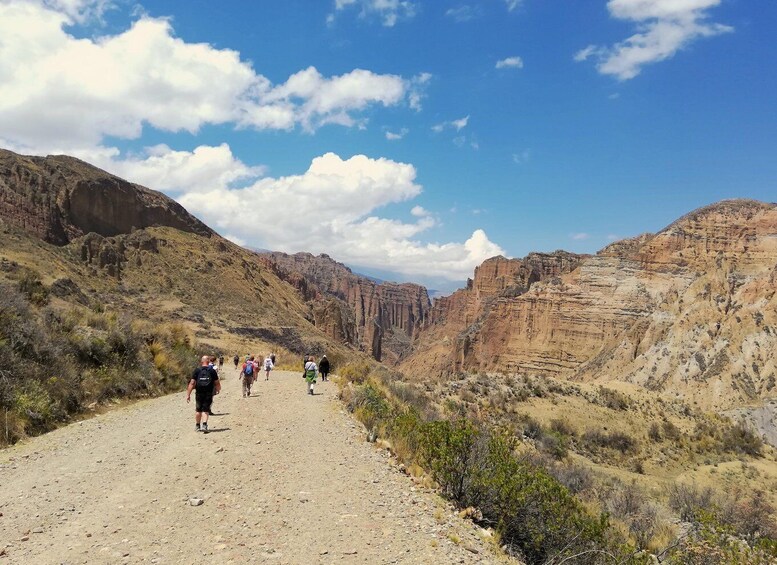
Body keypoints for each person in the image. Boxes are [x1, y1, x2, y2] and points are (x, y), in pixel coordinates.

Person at [187, 355, 220, 433]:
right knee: (205, 410)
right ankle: (204, 425)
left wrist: (188, 394)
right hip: (208, 392)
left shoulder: (197, 370)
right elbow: (217, 382)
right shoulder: (212, 371)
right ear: (208, 361)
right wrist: (218, 389)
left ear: (201, 361)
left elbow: (192, 383)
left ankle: (197, 426)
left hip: (199, 393)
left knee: (198, 410)